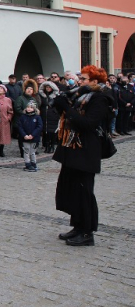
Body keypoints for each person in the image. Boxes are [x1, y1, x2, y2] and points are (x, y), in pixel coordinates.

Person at [53, 65, 115, 246]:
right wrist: (61, 105)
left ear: (95, 81)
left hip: (87, 150)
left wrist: (68, 108)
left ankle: (87, 232)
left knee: (84, 191)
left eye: (84, 79)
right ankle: (78, 226)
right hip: (73, 148)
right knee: (72, 188)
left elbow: (87, 123)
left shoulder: (101, 98)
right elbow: (69, 116)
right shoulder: (80, 95)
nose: (79, 81)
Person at [18, 100, 43, 172]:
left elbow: (39, 127)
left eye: (31, 108)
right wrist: (24, 135)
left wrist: (33, 135)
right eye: (28, 107)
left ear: (34, 109)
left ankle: (33, 163)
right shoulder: (23, 117)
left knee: (32, 151)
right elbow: (20, 127)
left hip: (34, 138)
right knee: (26, 151)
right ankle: (28, 164)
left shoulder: (37, 117)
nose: (29, 109)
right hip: (25, 138)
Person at [39, 80, 61, 153]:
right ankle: (47, 146)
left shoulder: (56, 96)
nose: (48, 88)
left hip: (53, 116)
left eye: (49, 87)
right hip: (44, 116)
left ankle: (52, 145)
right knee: (46, 132)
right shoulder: (42, 96)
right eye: (46, 87)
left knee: (53, 132)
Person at [0, 85, 14, 157]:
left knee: (3, 135)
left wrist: (8, 118)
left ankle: (1, 150)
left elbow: (10, 110)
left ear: (4, 91)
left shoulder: (8, 100)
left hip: (5, 120)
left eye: (1, 88)